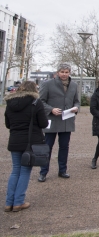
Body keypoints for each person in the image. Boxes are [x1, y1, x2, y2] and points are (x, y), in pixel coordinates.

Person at [4, 81, 49, 212]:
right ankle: (18, 201)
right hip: (30, 141)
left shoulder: (10, 103)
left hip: (15, 140)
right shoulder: (35, 102)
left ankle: (9, 202)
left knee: (15, 170)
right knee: (25, 171)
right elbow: (44, 123)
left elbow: (8, 124)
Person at [38, 63, 80, 182]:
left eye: (66, 72)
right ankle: (43, 172)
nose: (64, 74)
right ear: (57, 73)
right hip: (52, 120)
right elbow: (40, 101)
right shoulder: (47, 84)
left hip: (67, 121)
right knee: (47, 147)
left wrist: (76, 108)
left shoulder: (74, 85)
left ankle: (62, 170)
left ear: (69, 73)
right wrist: (51, 109)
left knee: (64, 147)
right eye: (62, 72)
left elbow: (77, 101)